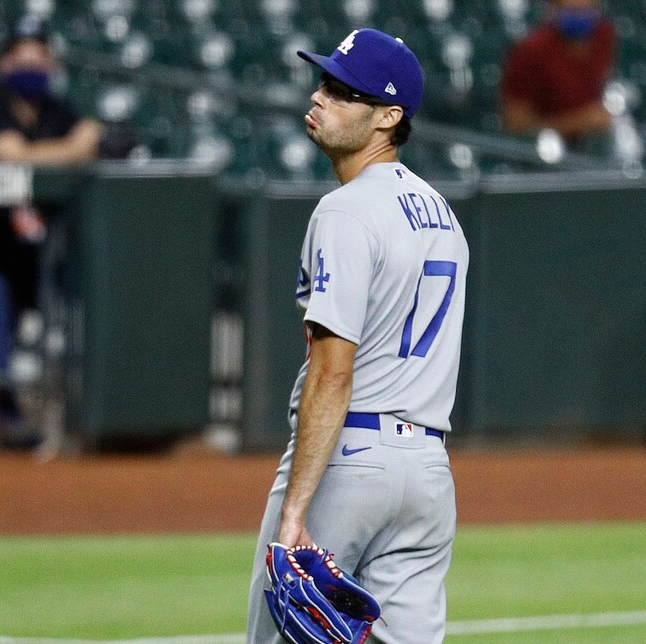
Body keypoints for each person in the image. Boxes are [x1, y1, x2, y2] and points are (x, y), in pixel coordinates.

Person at [246, 28, 469, 644]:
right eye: (324, 83)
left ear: (388, 117)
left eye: (345, 92)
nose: (320, 97)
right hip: (427, 471)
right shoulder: (443, 214)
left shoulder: (343, 211)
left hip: (349, 458)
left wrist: (296, 512)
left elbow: (331, 370)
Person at [0, 17, 116, 438]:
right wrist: (74, 149)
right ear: (3, 64)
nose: (31, 69)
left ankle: (66, 409)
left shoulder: (56, 109)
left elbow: (96, 134)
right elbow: (9, 154)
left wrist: (80, 144)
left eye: (39, 59)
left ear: (51, 63)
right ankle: (1, 410)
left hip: (20, 255)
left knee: (60, 284)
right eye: (21, 60)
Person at [499, 0, 616, 145]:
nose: (579, 17)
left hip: (596, 144)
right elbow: (516, 127)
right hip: (546, 151)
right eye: (571, 11)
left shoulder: (604, 35)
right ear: (552, 8)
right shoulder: (530, 51)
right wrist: (578, 122)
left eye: (584, 10)